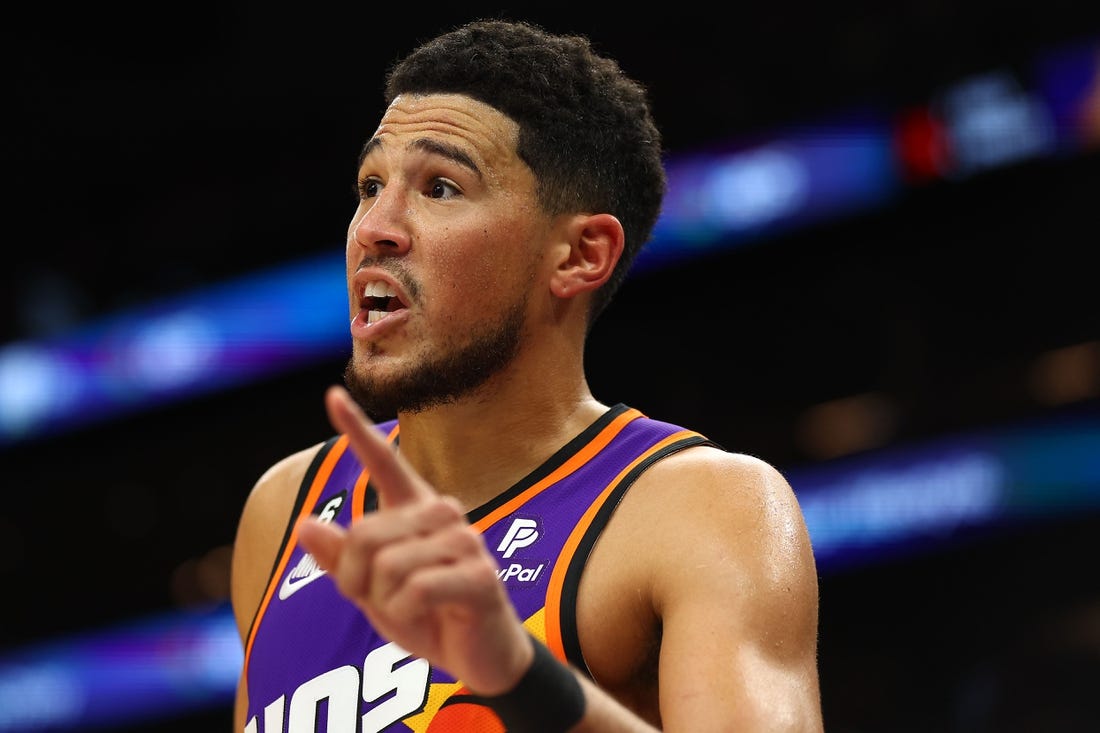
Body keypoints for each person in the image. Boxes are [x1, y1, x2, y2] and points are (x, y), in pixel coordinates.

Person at [230, 18, 824, 732]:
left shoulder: (699, 507)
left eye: (440, 187)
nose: (374, 228)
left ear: (580, 255)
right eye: (370, 185)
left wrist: (518, 673)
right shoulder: (285, 510)